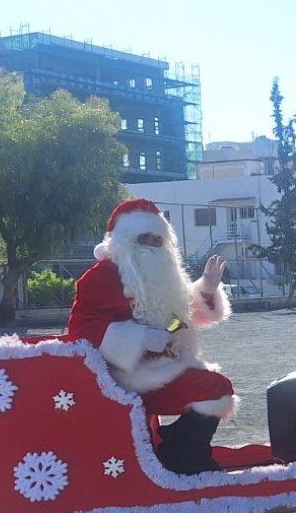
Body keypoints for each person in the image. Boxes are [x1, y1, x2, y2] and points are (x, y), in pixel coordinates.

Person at [66, 198, 236, 474]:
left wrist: (206, 288)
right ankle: (183, 455)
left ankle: (180, 449)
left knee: (218, 387)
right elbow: (82, 332)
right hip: (125, 374)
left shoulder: (163, 276)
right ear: (124, 240)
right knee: (214, 388)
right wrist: (142, 338)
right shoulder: (102, 277)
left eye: (158, 240)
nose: (153, 246)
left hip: (164, 365)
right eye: (144, 239)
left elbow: (179, 317)